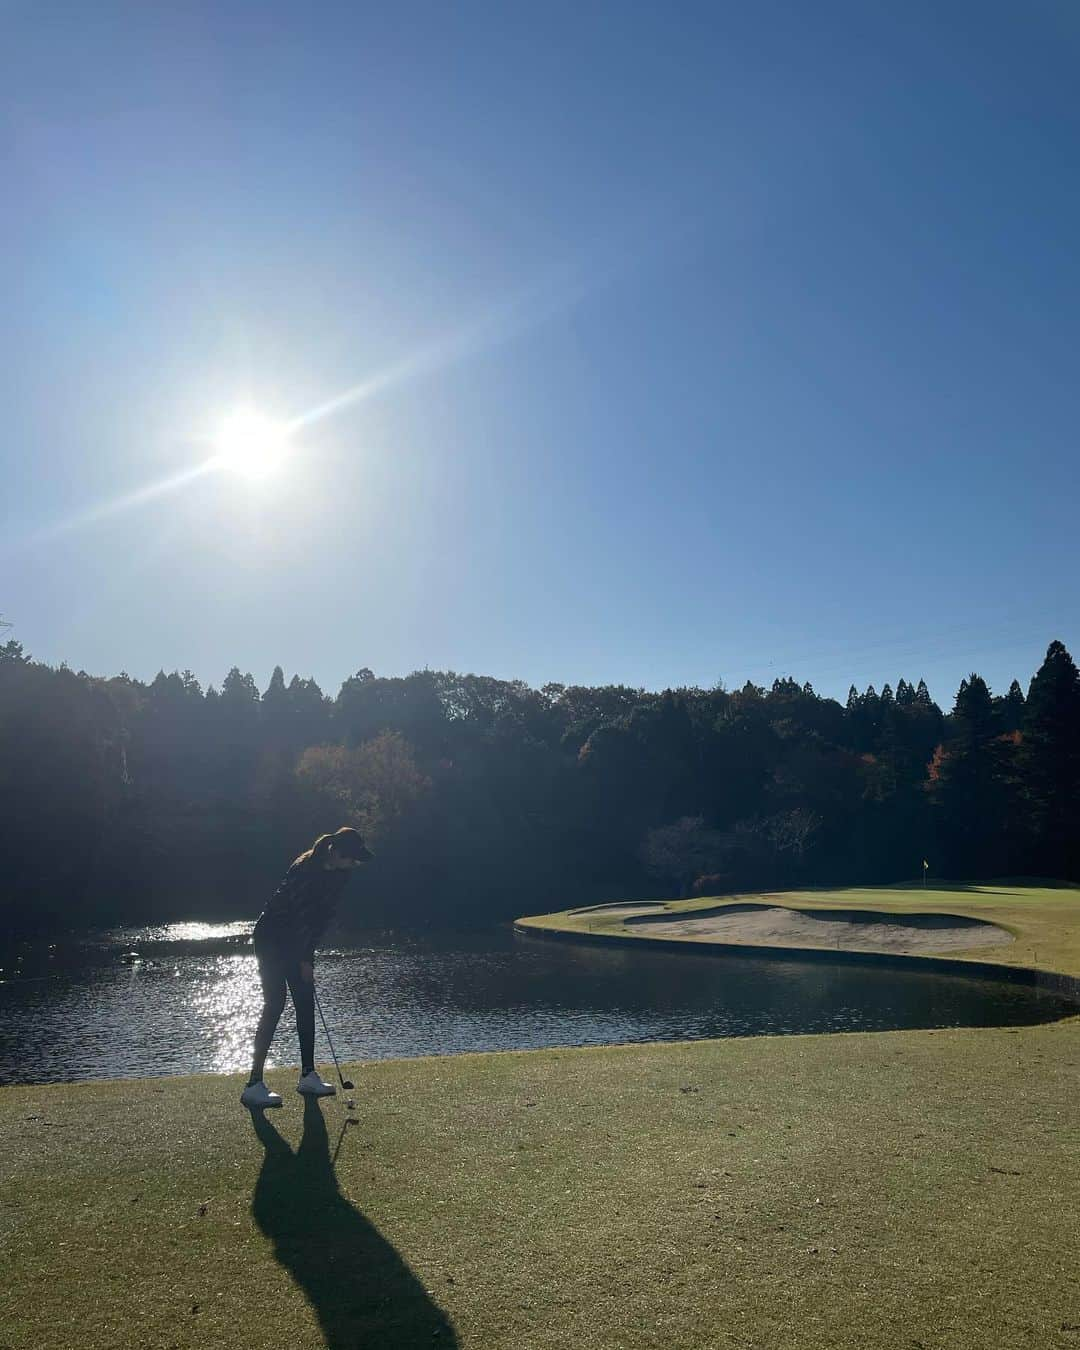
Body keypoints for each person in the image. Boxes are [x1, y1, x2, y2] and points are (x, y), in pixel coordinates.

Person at [241, 826, 373, 1109]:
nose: (355, 863)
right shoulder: (305, 870)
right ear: (335, 853)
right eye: (351, 858)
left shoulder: (340, 875)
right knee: (275, 1004)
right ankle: (253, 1084)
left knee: (305, 1001)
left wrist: (306, 959)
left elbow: (320, 920)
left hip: (296, 940)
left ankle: (308, 1076)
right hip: (271, 937)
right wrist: (304, 960)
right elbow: (299, 917)